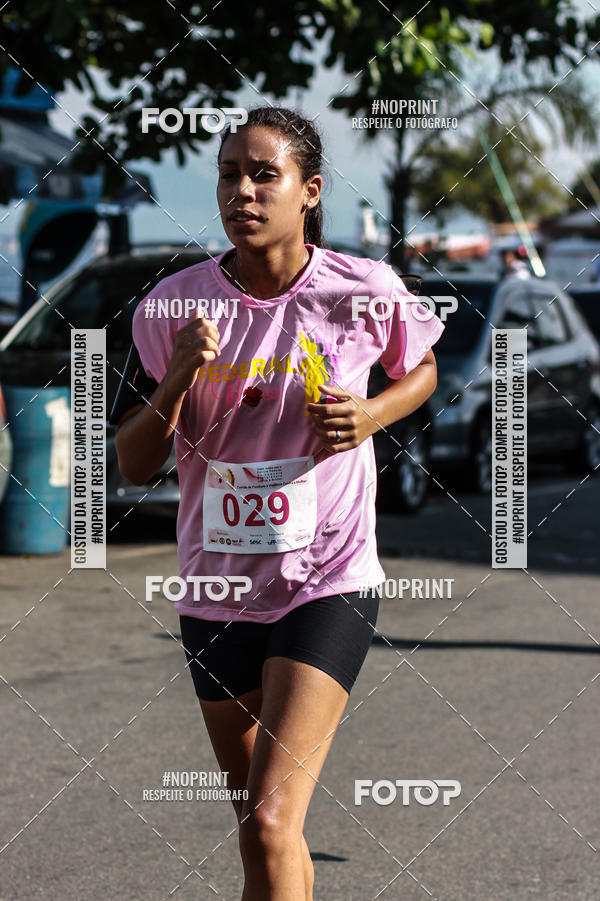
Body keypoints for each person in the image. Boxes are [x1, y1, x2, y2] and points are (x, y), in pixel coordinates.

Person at [111, 105, 444, 901]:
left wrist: (371, 414)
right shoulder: (173, 307)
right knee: (266, 833)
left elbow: (421, 371)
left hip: (325, 580)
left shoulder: (361, 289)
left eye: (265, 174)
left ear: (310, 192)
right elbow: (131, 461)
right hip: (217, 589)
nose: (243, 191)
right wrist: (177, 379)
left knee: (267, 818)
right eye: (230, 173)